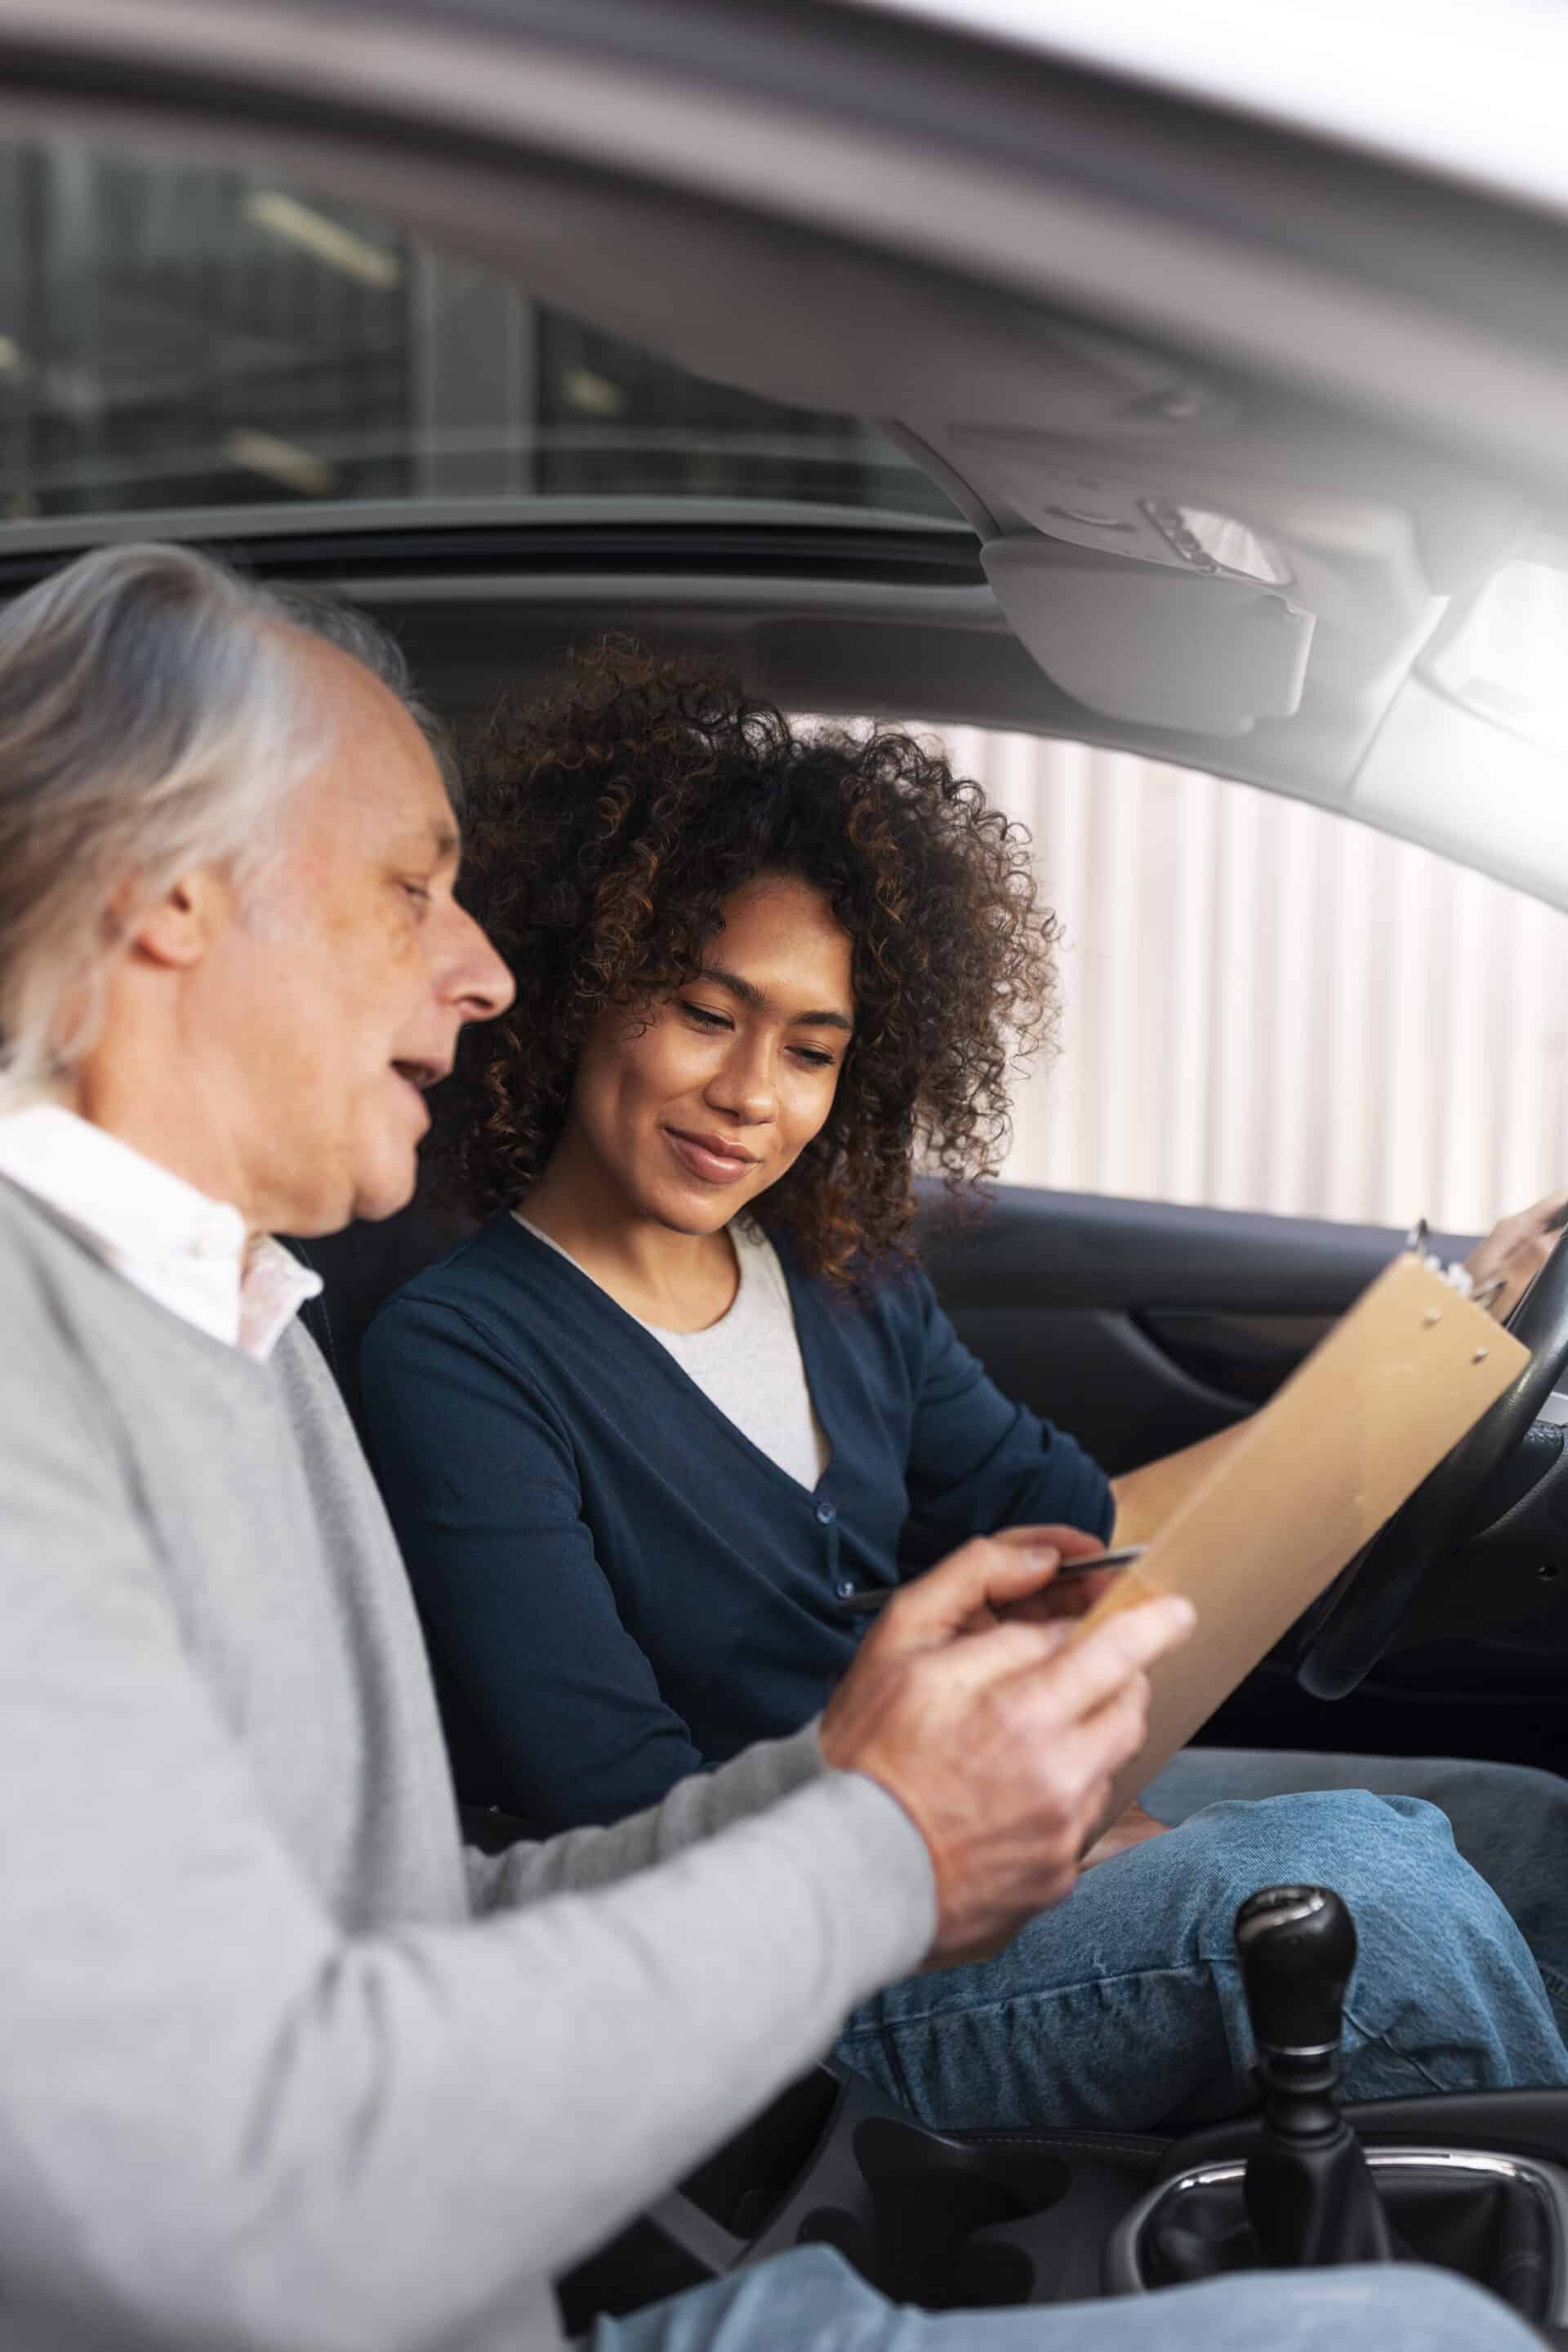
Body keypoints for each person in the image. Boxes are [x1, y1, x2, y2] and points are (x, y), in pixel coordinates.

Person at [7, 540, 1530, 2352]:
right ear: (173, 895)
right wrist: (893, 1840)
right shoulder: (315, 1359)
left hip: (561, 2178)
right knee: (1391, 1970)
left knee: (1500, 1842)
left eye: (810, 1045)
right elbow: (253, 2176)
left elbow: (430, 1927)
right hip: (655, 2105)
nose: (478, 969)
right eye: (414, 889)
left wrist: (877, 1786)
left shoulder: (245, 1330)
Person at [362, 641, 1568, 2139]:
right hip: (796, 1971)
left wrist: (1434, 1359)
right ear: (583, 991)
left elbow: (1085, 1522)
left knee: (1524, 1828)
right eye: (703, 1011)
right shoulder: (460, 1361)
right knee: (1370, 1887)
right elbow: (620, 1822)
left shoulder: (838, 1277)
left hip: (957, 1827)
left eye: (812, 1050)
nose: (753, 1094)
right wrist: (993, 1832)